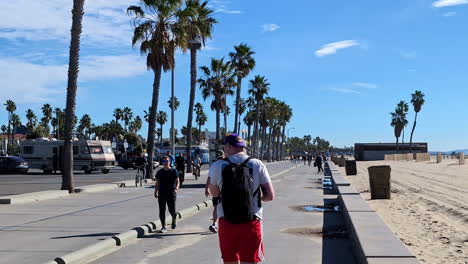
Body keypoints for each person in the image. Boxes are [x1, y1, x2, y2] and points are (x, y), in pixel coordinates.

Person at [208, 133, 275, 264]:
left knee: (230, 260)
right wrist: (251, 198)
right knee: (249, 260)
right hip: (251, 221)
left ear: (228, 146)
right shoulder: (257, 164)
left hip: (226, 221)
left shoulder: (217, 165)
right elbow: (270, 196)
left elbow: (214, 193)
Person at [154, 156, 180, 233]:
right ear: (162, 163)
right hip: (162, 193)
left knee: (172, 210)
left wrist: (176, 189)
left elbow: (177, 181)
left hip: (171, 193)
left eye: (167, 162)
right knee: (162, 210)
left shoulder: (174, 171)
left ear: (169, 162)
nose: (165, 163)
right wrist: (155, 192)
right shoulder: (159, 172)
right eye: (164, 162)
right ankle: (163, 227)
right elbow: (157, 183)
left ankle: (174, 218)